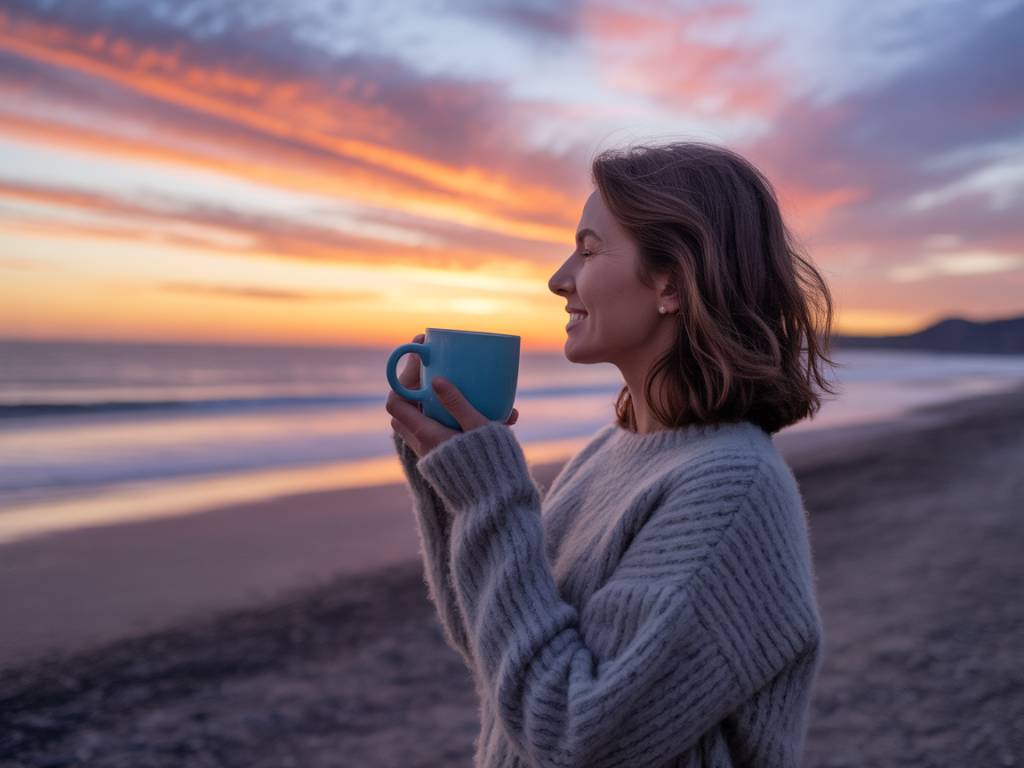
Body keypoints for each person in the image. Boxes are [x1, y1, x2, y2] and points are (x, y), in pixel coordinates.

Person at [386, 141, 837, 768]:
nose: (558, 278)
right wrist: (446, 474)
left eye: (590, 248)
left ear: (674, 281)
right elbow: (504, 653)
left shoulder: (732, 490)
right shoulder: (613, 451)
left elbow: (579, 736)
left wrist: (492, 497)